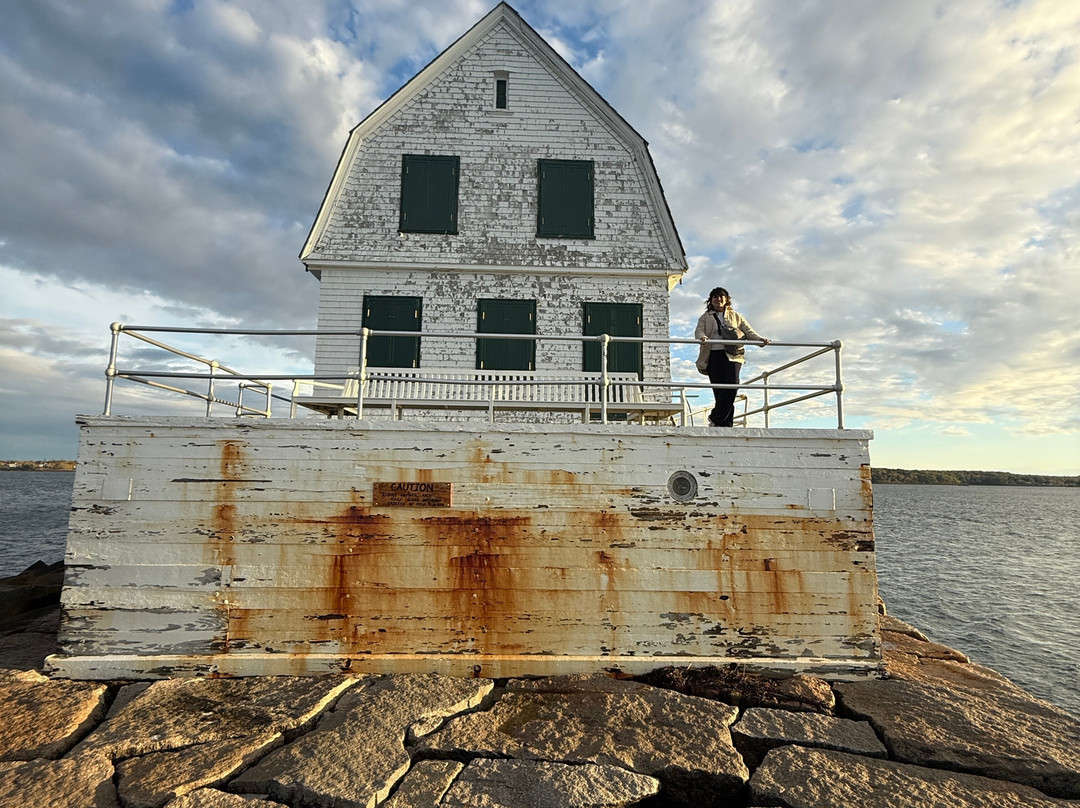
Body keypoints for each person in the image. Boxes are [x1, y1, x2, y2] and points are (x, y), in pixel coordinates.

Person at [695, 287, 770, 427]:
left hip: (733, 355)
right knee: (719, 390)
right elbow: (699, 330)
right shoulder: (705, 317)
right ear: (711, 300)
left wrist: (760, 340)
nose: (719, 300)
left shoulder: (736, 315)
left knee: (732, 385)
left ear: (727, 299)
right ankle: (725, 424)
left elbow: (747, 331)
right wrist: (703, 337)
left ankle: (715, 417)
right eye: (715, 297)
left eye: (721, 297)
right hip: (713, 354)